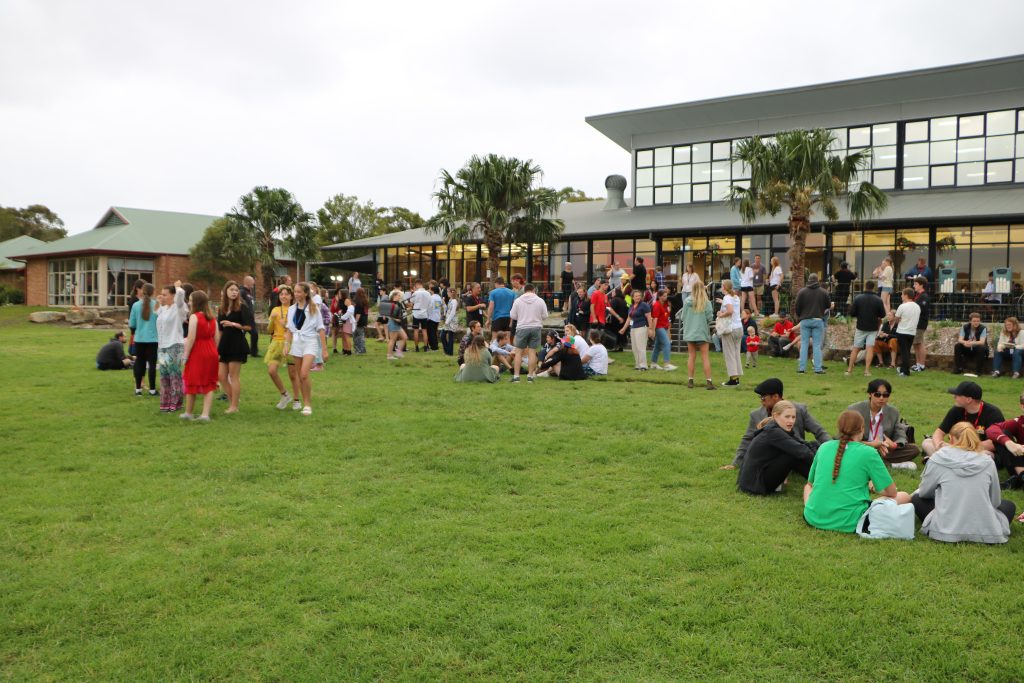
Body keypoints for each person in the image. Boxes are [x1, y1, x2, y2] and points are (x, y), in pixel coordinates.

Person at [803, 411, 911, 532]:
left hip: (813, 517)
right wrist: (874, 488)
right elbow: (892, 493)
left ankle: (812, 509)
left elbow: (810, 484)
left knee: (807, 486)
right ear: (861, 429)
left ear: (839, 428)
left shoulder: (824, 447)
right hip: (851, 521)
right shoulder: (868, 453)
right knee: (904, 496)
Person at [913, 421, 1014, 544]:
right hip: (985, 528)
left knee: (917, 498)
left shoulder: (938, 458)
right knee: (1008, 506)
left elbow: (924, 493)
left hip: (945, 530)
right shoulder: (987, 462)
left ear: (951, 439)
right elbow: (995, 501)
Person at [725, 378, 830, 470]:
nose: (761, 401)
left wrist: (835, 451)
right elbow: (747, 440)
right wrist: (735, 464)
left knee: (814, 446)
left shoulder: (799, 410)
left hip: (797, 454)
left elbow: (819, 431)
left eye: (763, 397)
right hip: (772, 460)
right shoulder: (756, 415)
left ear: (775, 396)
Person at [737, 400, 816, 495]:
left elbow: (804, 444)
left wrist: (818, 450)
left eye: (793, 417)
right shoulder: (773, 432)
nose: (791, 421)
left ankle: (823, 480)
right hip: (755, 485)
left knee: (812, 445)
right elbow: (803, 452)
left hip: (757, 478)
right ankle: (823, 482)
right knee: (794, 454)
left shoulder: (779, 428)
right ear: (775, 416)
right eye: (787, 417)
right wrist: (821, 464)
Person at [847, 379, 921, 468]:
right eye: (877, 394)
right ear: (870, 394)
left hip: (883, 448)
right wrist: (871, 444)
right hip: (862, 446)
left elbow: (900, 433)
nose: (881, 398)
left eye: (885, 395)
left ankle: (875, 462)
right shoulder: (855, 409)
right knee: (849, 449)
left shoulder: (893, 412)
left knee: (914, 449)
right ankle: (891, 465)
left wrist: (894, 445)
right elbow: (846, 439)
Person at [922, 381, 1004, 459]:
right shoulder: (957, 409)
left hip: (978, 451)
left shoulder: (993, 413)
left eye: (957, 395)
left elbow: (993, 444)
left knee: (986, 455)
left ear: (968, 399)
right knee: (927, 443)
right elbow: (939, 432)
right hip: (957, 449)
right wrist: (938, 446)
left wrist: (960, 448)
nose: (954, 397)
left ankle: (943, 460)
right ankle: (949, 460)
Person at [285, 282, 328, 416]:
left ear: (305, 293)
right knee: (300, 376)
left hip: (310, 341)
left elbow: (321, 328)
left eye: (299, 292)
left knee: (304, 374)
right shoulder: (291, 309)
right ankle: (305, 403)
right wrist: (286, 344)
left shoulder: (314, 308)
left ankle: (308, 404)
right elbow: (289, 329)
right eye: (295, 292)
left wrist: (324, 350)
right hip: (297, 343)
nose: (296, 294)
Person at [181, 290, 220, 422]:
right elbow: (217, 338)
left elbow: (191, 338)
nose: (189, 302)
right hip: (211, 351)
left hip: (198, 351)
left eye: (191, 300)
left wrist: (185, 356)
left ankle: (188, 412)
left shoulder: (194, 317)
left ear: (196, 302)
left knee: (191, 380)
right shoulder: (212, 318)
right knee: (209, 383)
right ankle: (205, 414)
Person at [214, 281, 253, 414]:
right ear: (225, 291)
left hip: (237, 344)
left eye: (236, 290)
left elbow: (249, 326)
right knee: (221, 376)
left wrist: (233, 324)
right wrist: (217, 348)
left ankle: (234, 406)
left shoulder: (242, 307)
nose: (234, 292)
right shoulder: (221, 308)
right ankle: (233, 402)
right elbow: (219, 330)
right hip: (224, 345)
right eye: (231, 290)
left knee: (233, 375)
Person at [155, 281, 189, 413]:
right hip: (162, 346)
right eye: (161, 294)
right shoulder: (163, 309)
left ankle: (176, 403)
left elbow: (180, 294)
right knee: (164, 375)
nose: (162, 296)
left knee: (174, 376)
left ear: (172, 296)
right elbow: (156, 313)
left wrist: (177, 287)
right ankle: (165, 402)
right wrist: (160, 301)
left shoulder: (179, 308)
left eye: (165, 294)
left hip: (174, 345)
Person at [264, 284, 297, 410]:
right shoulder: (275, 310)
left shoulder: (295, 309)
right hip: (277, 343)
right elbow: (269, 330)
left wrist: (285, 325)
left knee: (293, 374)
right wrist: (272, 320)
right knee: (272, 371)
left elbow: (296, 328)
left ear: (291, 296)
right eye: (281, 294)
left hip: (291, 342)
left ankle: (296, 399)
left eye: (286, 294)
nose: (283, 296)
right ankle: (285, 394)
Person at [679, 278, 716, 390]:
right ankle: (709, 382)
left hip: (690, 332)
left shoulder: (687, 302)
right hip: (702, 332)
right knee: (705, 357)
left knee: (691, 356)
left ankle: (690, 380)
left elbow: (682, 317)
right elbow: (710, 318)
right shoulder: (706, 302)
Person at [509, 283, 548, 382]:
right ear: (534, 290)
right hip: (536, 327)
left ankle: (516, 376)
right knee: (532, 351)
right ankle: (530, 376)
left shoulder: (518, 300)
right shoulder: (540, 301)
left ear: (524, 290)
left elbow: (513, 316)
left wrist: (522, 317)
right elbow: (545, 316)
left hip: (522, 327)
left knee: (518, 352)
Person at [846, 281, 886, 376]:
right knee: (870, 349)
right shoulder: (878, 299)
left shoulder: (858, 298)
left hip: (860, 326)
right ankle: (867, 371)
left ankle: (849, 370)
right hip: (872, 327)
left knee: (855, 348)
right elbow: (882, 315)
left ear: (865, 286)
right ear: (873, 288)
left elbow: (851, 312)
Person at [793, 273, 830, 374]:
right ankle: (818, 369)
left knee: (804, 344)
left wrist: (801, 316)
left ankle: (801, 368)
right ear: (817, 280)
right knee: (817, 345)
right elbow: (828, 305)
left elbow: (797, 306)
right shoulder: (823, 292)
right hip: (818, 320)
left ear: (808, 280)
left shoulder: (802, 292)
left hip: (805, 320)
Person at [987, 392, 1024, 491]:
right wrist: (1008, 442)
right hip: (1021, 461)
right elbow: (992, 429)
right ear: (1022, 406)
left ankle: (1019, 479)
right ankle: (1021, 475)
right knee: (1003, 433)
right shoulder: (1019, 422)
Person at [128, 283, 159, 396]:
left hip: (139, 338)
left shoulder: (136, 305)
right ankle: (152, 389)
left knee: (139, 363)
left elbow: (132, 323)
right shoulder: (156, 305)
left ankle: (138, 390)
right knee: (152, 364)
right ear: (153, 292)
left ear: (143, 291)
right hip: (153, 339)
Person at [716, 280, 743, 386]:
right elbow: (734, 308)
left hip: (730, 329)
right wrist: (722, 303)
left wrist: (720, 315)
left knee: (729, 354)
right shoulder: (735, 297)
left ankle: (733, 379)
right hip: (738, 328)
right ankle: (737, 378)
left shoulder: (727, 297)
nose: (721, 288)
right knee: (736, 353)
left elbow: (730, 311)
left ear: (725, 287)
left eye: (722, 286)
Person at [621, 285, 653, 371]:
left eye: (639, 296)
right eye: (636, 296)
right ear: (632, 297)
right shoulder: (631, 306)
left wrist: (650, 329)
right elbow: (629, 318)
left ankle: (643, 366)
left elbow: (649, 317)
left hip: (642, 328)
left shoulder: (644, 305)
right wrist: (624, 328)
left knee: (641, 347)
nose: (638, 297)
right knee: (634, 347)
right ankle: (637, 365)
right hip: (633, 328)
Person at [892, 287, 920, 377]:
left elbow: (896, 319)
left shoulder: (902, 306)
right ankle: (903, 368)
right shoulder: (917, 306)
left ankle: (905, 371)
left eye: (902, 294)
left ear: (906, 295)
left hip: (902, 331)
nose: (901, 296)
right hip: (912, 332)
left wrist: (898, 320)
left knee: (904, 352)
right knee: (907, 351)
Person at [953, 312, 989, 376]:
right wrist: (965, 343)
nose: (976, 323)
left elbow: (982, 342)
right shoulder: (965, 327)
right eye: (974, 321)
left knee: (981, 347)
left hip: (978, 349)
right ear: (970, 321)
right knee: (958, 346)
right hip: (967, 348)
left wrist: (971, 343)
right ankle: (958, 368)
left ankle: (978, 371)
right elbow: (960, 340)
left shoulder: (983, 328)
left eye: (978, 321)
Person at [650, 288, 675, 371]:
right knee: (667, 343)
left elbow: (666, 316)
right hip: (659, 327)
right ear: (660, 296)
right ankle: (666, 364)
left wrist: (668, 328)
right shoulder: (657, 305)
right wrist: (653, 330)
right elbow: (655, 318)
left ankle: (653, 363)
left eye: (666, 295)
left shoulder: (665, 304)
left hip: (664, 326)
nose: (666, 297)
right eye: (664, 296)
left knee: (657, 346)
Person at [486, 276, 516, 342]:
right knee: (507, 339)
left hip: (497, 318)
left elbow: (491, 307)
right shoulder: (512, 292)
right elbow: (514, 307)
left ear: (496, 283)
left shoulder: (493, 292)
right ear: (503, 283)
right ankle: (508, 352)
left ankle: (495, 352)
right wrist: (512, 320)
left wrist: (488, 319)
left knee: (495, 339)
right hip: (508, 318)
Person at [910, 276, 930, 372]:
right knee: (916, 344)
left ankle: (922, 365)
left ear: (921, 285)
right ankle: (918, 363)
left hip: (920, 323)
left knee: (919, 344)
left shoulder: (924, 296)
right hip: (915, 323)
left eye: (916, 284)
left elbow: (921, 309)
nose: (914, 286)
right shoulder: (917, 295)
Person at [408, 279, 431, 352]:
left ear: (418, 284)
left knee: (416, 331)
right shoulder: (428, 293)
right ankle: (425, 347)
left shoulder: (415, 293)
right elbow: (429, 304)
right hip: (424, 314)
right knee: (424, 331)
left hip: (416, 314)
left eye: (415, 285)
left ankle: (416, 348)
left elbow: (411, 303)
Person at [384, 290, 409, 360]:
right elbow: (389, 314)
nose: (400, 297)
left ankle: (398, 352)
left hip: (397, 324)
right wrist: (396, 319)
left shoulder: (397, 303)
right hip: (393, 323)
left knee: (404, 337)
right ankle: (389, 355)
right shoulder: (392, 304)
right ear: (394, 296)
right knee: (392, 340)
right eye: (398, 295)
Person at [240, 275, 259, 357]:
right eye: (252, 282)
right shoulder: (242, 291)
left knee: (254, 334)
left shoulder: (249, 292)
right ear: (247, 282)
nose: (253, 284)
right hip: (244, 318)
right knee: (241, 335)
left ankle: (253, 352)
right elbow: (240, 304)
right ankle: (242, 350)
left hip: (250, 318)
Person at [440, 287, 459, 356]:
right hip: (449, 320)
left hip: (452, 321)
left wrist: (447, 321)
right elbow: (447, 309)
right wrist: (444, 303)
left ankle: (449, 352)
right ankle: (448, 351)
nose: (447, 293)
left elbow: (453, 312)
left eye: (448, 292)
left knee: (447, 336)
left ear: (451, 293)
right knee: (444, 336)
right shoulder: (450, 300)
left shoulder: (454, 301)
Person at [352, 288, 369, 355]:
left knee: (356, 336)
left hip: (359, 320)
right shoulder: (365, 301)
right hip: (364, 319)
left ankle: (359, 350)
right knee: (361, 335)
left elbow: (358, 313)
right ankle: (362, 349)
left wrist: (355, 322)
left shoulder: (359, 302)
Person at [426, 284, 443, 351]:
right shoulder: (439, 298)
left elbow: (429, 307)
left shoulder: (431, 297)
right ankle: (435, 346)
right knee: (434, 332)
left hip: (431, 317)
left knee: (431, 333)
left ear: (432, 290)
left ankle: (434, 347)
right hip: (437, 317)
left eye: (430, 290)